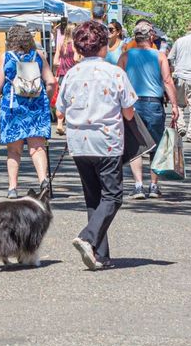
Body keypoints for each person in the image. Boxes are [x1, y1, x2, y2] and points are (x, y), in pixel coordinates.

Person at [57, 20, 137, 270]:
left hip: (79, 143)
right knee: (113, 195)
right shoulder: (114, 73)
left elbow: (60, 107)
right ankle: (88, 237)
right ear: (103, 46)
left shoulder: (71, 74)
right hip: (107, 142)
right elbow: (129, 112)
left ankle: (99, 254)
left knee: (94, 198)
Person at [0, 24, 55, 199]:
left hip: (13, 107)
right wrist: (44, 98)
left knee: (14, 150)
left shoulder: (6, 57)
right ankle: (43, 180)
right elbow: (52, 82)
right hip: (36, 107)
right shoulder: (38, 56)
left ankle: (12, 188)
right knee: (37, 147)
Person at [118, 20, 179, 199]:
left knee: (136, 144)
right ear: (151, 36)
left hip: (132, 104)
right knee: (156, 144)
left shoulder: (125, 56)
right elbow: (167, 81)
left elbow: (118, 80)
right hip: (154, 104)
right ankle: (153, 186)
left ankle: (138, 186)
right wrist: (175, 105)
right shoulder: (159, 56)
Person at [53, 23, 79, 136]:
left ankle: (59, 124)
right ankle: (71, 124)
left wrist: (61, 64)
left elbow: (55, 62)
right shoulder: (75, 44)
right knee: (73, 100)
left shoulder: (60, 44)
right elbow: (76, 58)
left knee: (62, 99)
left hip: (62, 75)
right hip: (73, 75)